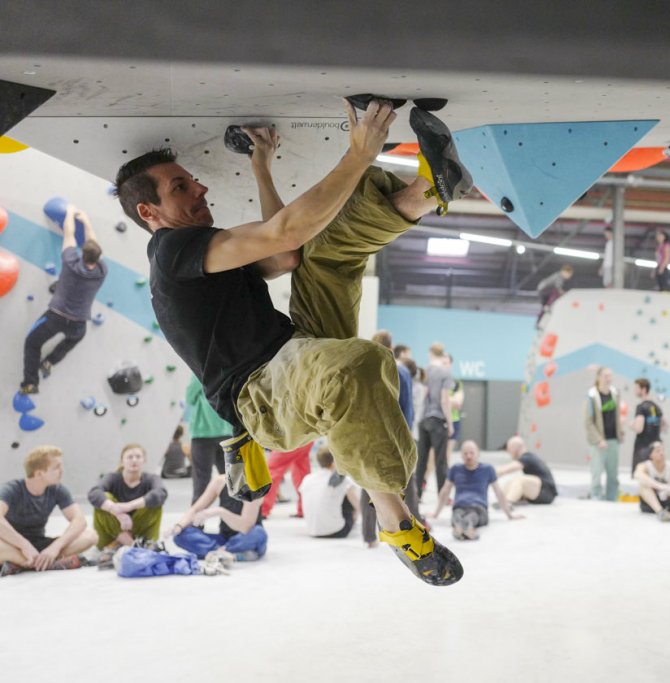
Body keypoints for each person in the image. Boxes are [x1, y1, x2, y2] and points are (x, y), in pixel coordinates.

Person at [115, 99, 468, 585]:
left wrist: (261, 165)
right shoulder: (171, 251)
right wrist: (359, 154)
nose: (200, 188)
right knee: (356, 365)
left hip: (295, 347)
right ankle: (397, 523)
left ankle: (429, 189)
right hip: (264, 394)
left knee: (327, 251)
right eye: (181, 187)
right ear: (148, 211)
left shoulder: (202, 251)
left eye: (192, 180)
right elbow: (283, 232)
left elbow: (286, 255)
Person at [20, 205, 108, 394]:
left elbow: (69, 234)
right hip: (79, 324)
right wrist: (86, 221)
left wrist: (69, 212)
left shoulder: (70, 262)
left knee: (32, 343)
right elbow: (92, 241)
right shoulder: (102, 271)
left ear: (82, 254)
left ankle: (31, 382)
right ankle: (50, 362)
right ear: (98, 258)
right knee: (73, 340)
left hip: (55, 317)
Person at [361, 331, 421, 549]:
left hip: (370, 435)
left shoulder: (365, 370)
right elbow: (407, 409)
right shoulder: (401, 370)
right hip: (398, 436)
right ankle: (414, 534)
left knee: (369, 485)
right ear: (391, 347)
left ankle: (369, 536)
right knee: (407, 485)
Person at [0, 446, 98, 575]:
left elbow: (79, 520)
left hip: (40, 545)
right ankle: (48, 564)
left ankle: (24, 564)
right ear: (39, 473)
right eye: (56, 467)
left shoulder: (56, 489)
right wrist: (24, 545)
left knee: (90, 536)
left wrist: (54, 548)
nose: (62, 471)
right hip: (12, 545)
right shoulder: (11, 489)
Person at [429, 441, 523, 540]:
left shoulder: (488, 469)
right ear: (461, 455)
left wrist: (510, 515)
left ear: (478, 454)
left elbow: (498, 492)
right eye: (465, 453)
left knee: (472, 516)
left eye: (471, 453)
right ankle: (462, 529)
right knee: (456, 515)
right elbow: (445, 491)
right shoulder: (455, 469)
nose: (468, 456)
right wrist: (435, 514)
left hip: (479, 508)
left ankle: (466, 528)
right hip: (460, 506)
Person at [88, 444, 168, 549]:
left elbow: (161, 493)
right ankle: (128, 543)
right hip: (110, 536)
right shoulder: (112, 477)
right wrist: (116, 511)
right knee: (104, 499)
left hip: (139, 532)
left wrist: (129, 506)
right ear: (122, 461)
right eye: (130, 457)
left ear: (144, 460)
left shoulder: (151, 478)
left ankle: (133, 544)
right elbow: (94, 493)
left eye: (138, 457)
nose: (134, 460)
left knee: (154, 501)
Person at [170, 474, 267, 561]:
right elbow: (195, 509)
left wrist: (220, 511)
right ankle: (224, 553)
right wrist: (179, 526)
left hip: (246, 539)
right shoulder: (220, 481)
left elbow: (245, 527)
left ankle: (219, 552)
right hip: (224, 540)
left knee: (259, 533)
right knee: (181, 534)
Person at [185, 374, 234, 504]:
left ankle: (197, 516)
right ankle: (230, 514)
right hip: (227, 431)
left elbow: (189, 398)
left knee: (201, 479)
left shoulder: (199, 372)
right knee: (230, 479)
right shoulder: (229, 370)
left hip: (202, 433)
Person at [416, 342, 454, 496]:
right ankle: (442, 495)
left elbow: (422, 395)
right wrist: (450, 423)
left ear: (430, 353)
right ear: (443, 354)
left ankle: (417, 494)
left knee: (421, 459)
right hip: (438, 419)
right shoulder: (445, 372)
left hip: (423, 419)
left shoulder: (424, 371)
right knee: (440, 460)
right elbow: (445, 400)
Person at [299, 444, 362, 539]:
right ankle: (352, 523)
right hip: (338, 531)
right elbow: (358, 506)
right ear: (334, 462)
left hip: (313, 530)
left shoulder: (307, 479)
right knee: (349, 496)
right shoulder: (343, 480)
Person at [584, 366, 623, 501]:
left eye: (610, 376)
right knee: (596, 472)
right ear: (599, 377)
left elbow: (617, 416)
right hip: (598, 441)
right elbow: (588, 421)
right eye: (605, 376)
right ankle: (595, 497)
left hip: (613, 439)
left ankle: (612, 498)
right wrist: (599, 439)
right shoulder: (592, 395)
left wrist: (620, 432)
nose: (608, 379)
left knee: (613, 474)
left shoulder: (615, 393)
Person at [497, 436, 558, 505]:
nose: (509, 453)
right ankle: (503, 499)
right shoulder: (529, 457)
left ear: (513, 449)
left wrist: (490, 473)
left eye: (509, 450)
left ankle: (508, 502)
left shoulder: (527, 458)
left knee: (519, 480)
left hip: (546, 492)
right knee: (511, 482)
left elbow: (506, 469)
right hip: (541, 491)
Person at [261, 443, 313, 519]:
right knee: (301, 472)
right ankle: (304, 509)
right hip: (307, 440)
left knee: (272, 471)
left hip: (291, 440)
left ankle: (263, 510)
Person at [630, 377, 666, 474]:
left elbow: (639, 429)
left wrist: (632, 425)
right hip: (656, 447)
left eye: (637, 388)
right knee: (655, 474)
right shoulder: (656, 407)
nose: (634, 391)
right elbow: (664, 424)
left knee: (641, 475)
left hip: (643, 448)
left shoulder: (641, 407)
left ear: (644, 389)